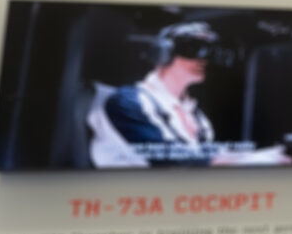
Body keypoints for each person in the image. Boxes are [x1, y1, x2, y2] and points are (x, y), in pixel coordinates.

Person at [91, 22, 222, 167]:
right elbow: (168, 161)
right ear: (163, 53)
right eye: (193, 49)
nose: (203, 58)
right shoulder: (128, 102)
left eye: (207, 51)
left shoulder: (199, 118)